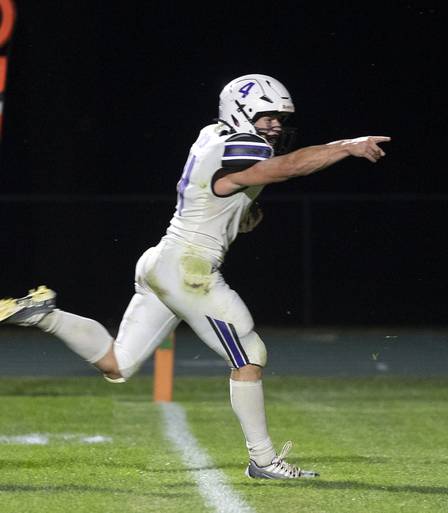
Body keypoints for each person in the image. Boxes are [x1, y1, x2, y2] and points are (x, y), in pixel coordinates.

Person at [0, 73, 390, 480]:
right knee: (250, 356)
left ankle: (45, 314)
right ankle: (263, 460)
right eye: (268, 115)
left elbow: (219, 187)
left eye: (280, 117)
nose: (275, 125)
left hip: (159, 260)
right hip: (189, 270)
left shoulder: (210, 136)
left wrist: (240, 214)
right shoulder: (245, 145)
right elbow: (286, 168)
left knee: (118, 365)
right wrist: (346, 147)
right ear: (241, 112)